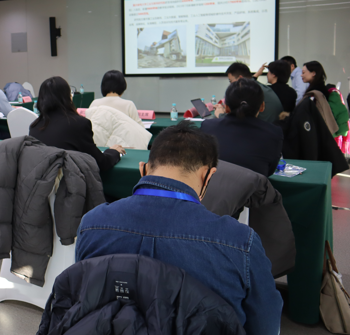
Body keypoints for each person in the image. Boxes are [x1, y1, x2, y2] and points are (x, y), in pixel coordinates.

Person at [75, 121, 282, 335]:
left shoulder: (91, 224)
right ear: (208, 175)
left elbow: (82, 304)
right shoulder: (240, 242)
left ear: (143, 169)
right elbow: (265, 324)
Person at [29, 76, 125, 172]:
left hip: (41, 180)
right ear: (68, 97)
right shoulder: (79, 124)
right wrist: (114, 152)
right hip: (71, 180)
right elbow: (100, 163)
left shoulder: (34, 127)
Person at [201, 78, 283, 177]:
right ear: (262, 106)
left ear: (226, 107)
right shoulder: (274, 133)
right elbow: (269, 171)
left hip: (212, 186)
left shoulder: (207, 126)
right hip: (254, 186)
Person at [214, 62, 282, 123]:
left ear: (240, 78)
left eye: (230, 81)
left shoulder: (250, 91)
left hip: (263, 127)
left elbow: (240, 118)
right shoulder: (256, 86)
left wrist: (220, 114)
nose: (230, 84)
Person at [302, 61, 349, 138]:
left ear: (313, 73)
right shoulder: (321, 92)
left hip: (319, 136)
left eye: (303, 72)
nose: (301, 75)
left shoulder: (317, 94)